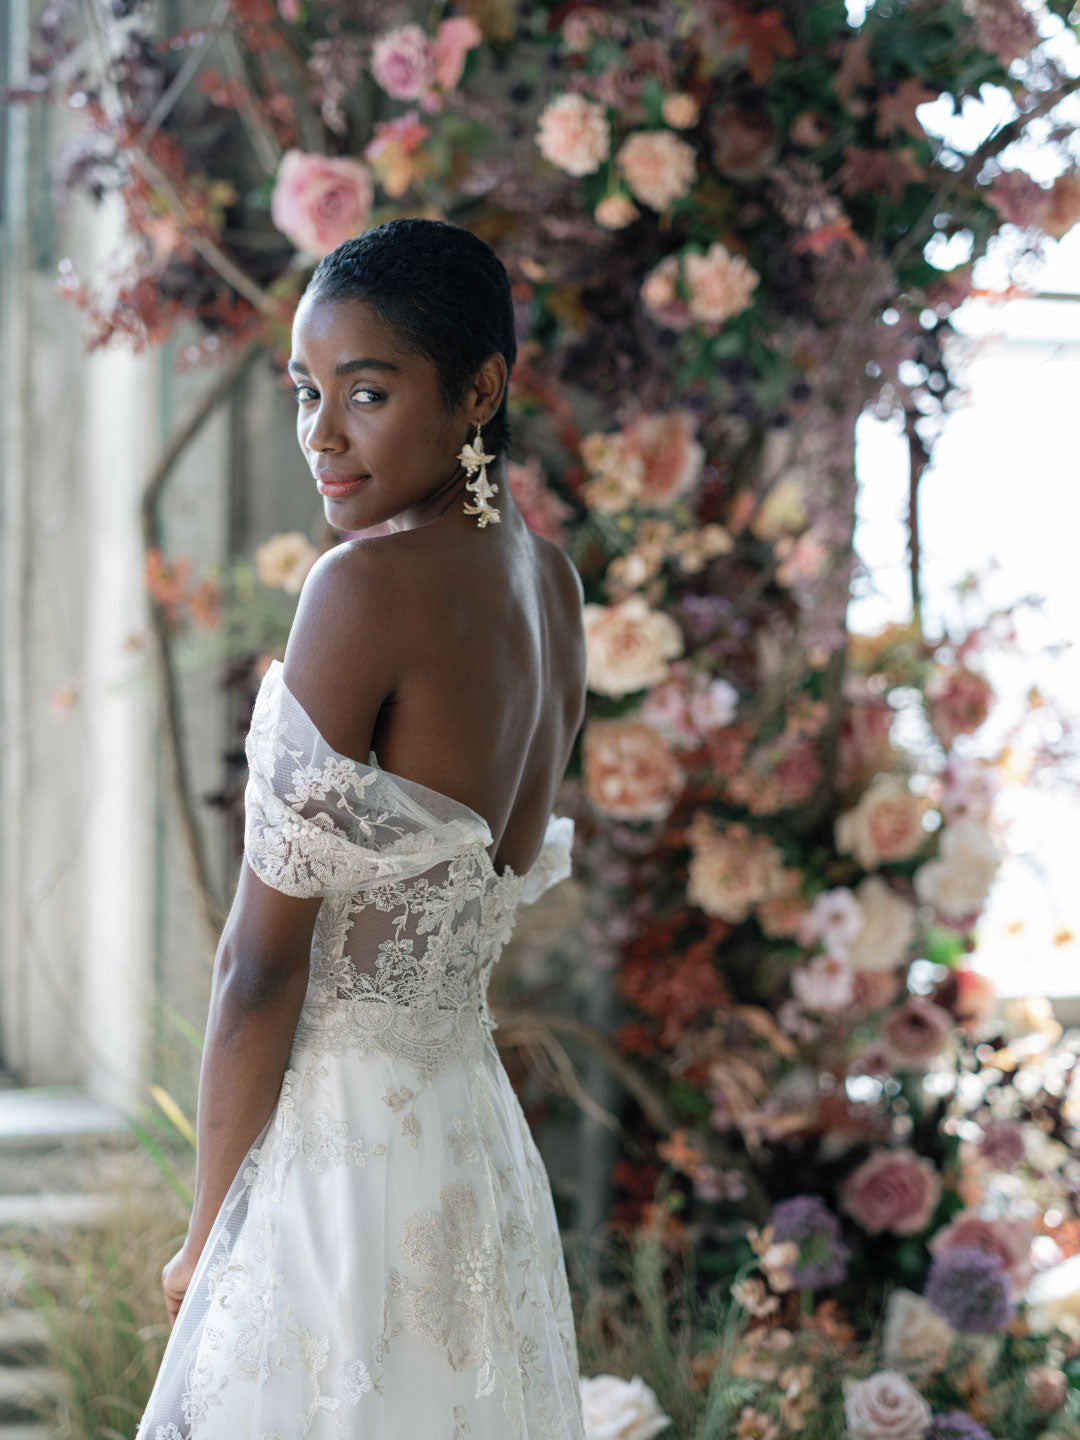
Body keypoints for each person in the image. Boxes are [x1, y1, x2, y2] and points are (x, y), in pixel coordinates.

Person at [136, 218, 588, 1439]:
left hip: (339, 1168)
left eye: (367, 392)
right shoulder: (550, 587)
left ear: (479, 390)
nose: (321, 436)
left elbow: (260, 964)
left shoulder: (364, 588)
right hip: (472, 1152)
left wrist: (204, 1246)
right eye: (306, 394)